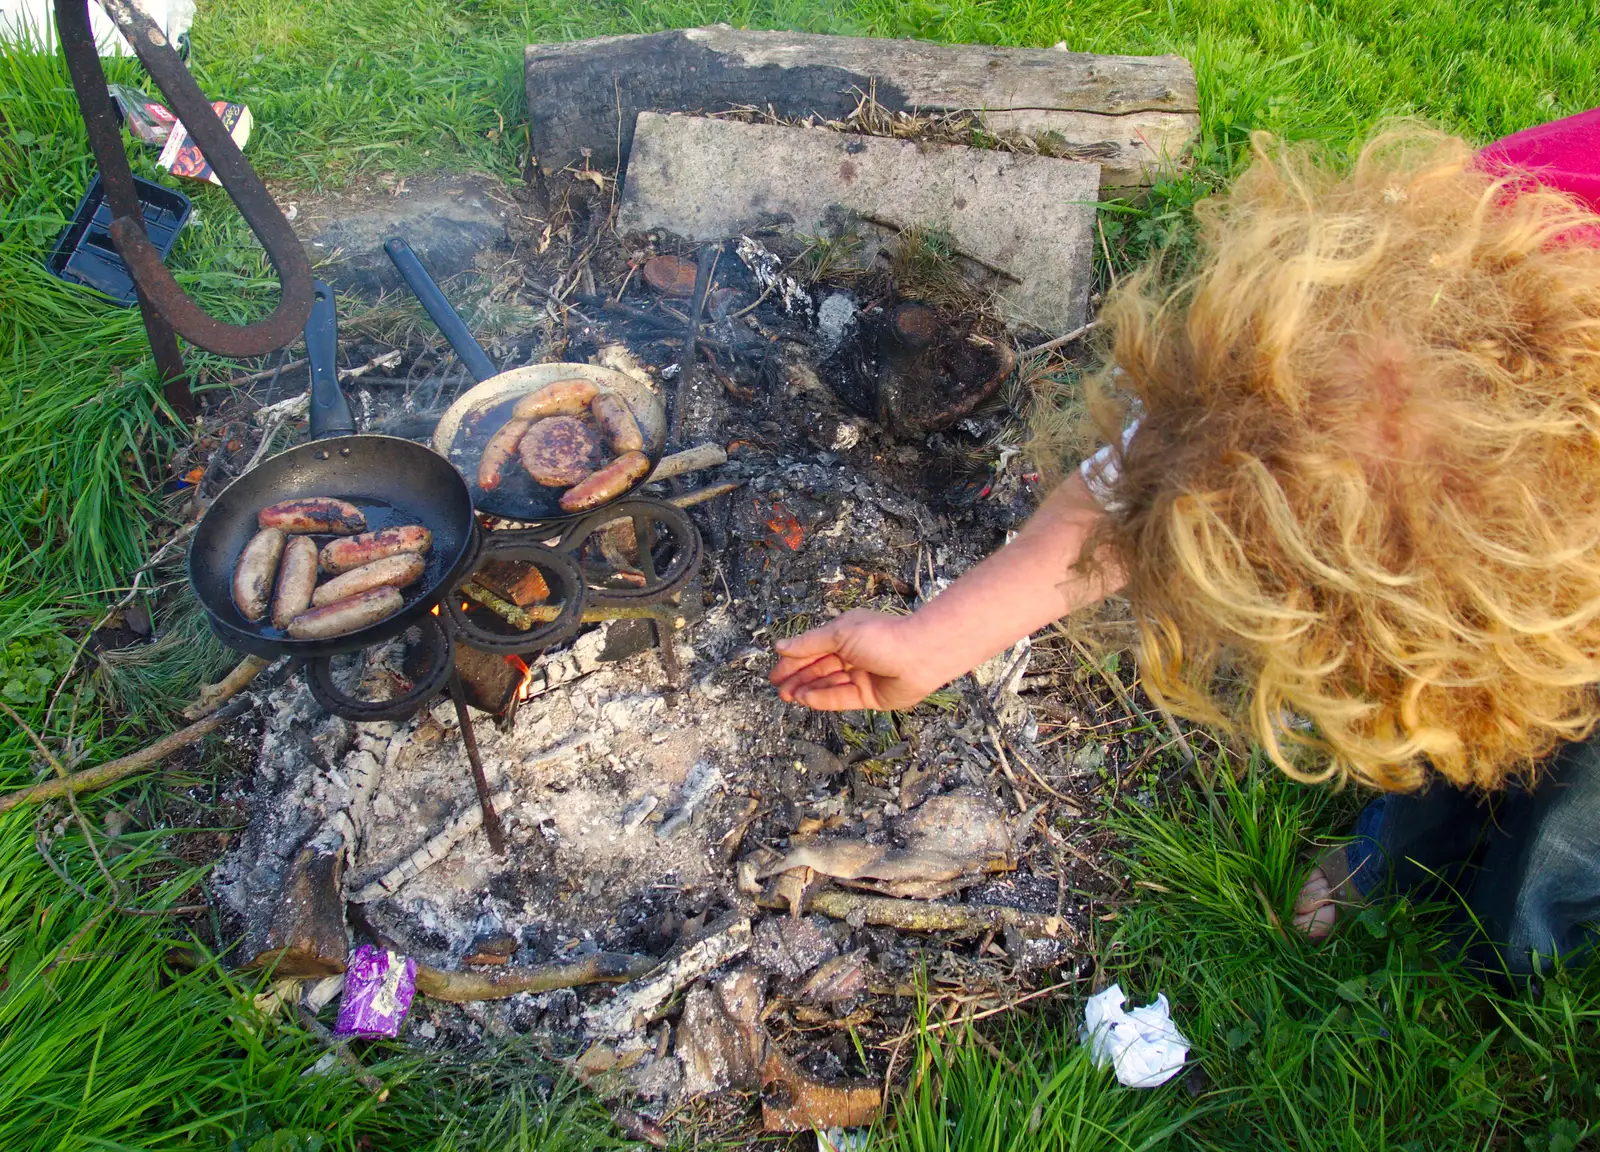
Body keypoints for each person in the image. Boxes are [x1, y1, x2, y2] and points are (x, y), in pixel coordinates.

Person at [770, 113, 1600, 979]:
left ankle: (1523, 942)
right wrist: (930, 642)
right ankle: (1402, 848)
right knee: (1435, 729)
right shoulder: (1370, 300)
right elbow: (1148, 473)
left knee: (1578, 804)